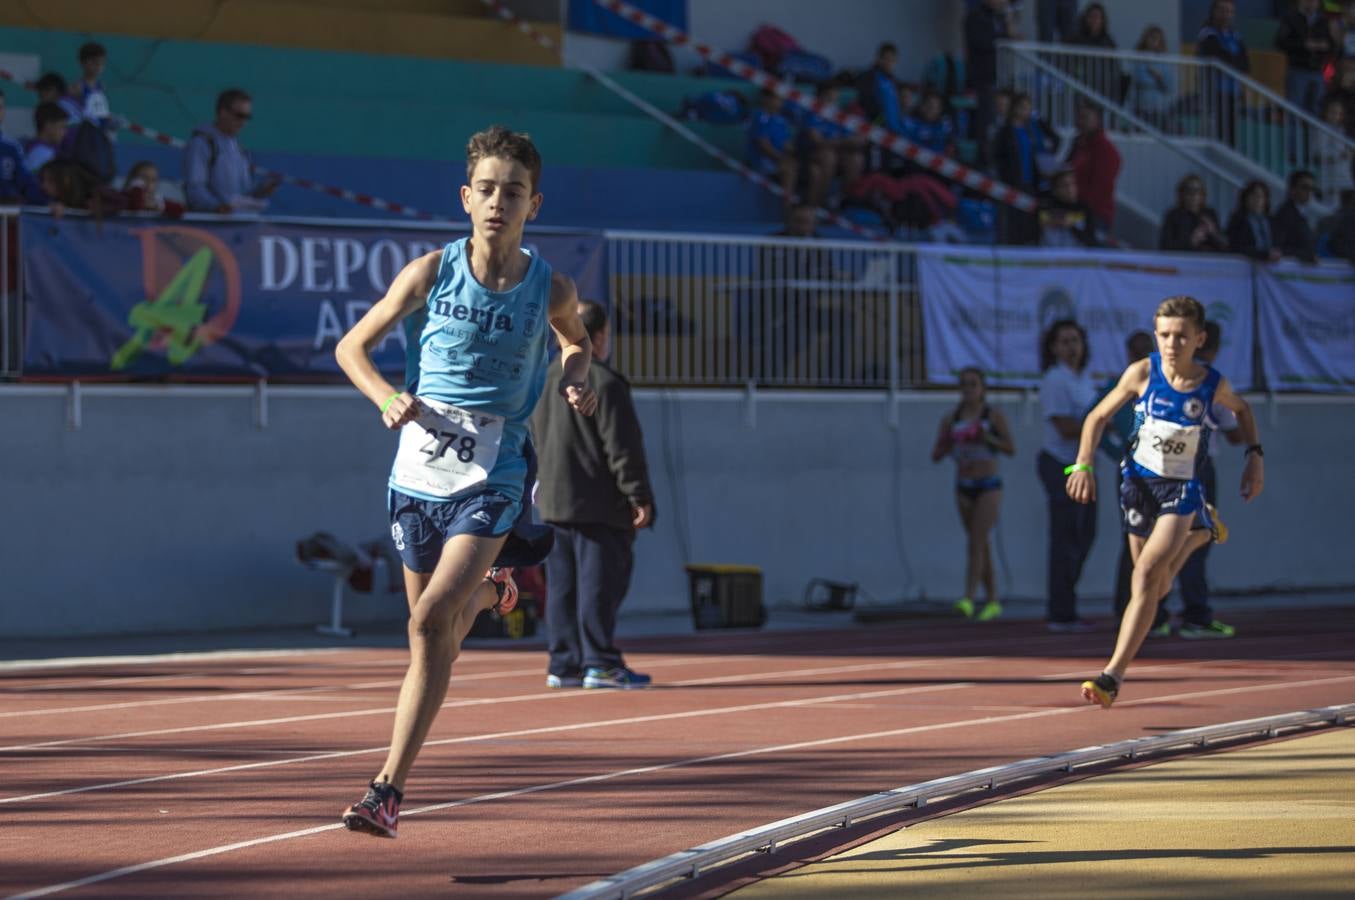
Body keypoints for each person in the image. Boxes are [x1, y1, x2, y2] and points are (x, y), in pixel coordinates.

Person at [333, 125, 598, 838]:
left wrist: (575, 376)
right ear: (465, 197)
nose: (496, 203)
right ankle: (492, 592)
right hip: (417, 470)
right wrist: (385, 395)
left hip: (494, 469)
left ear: (532, 205)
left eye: (512, 192)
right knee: (436, 641)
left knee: (424, 621)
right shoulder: (428, 272)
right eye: (485, 190)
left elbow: (576, 339)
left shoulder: (552, 286)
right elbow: (350, 346)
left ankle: (385, 790)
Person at [1069, 295, 1263, 708]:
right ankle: (1201, 533)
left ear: (1199, 339)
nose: (1171, 344)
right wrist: (1083, 463)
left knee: (1144, 578)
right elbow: (1097, 417)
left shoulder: (1212, 384)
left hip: (1182, 489)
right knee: (1156, 586)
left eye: (1180, 336)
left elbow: (1243, 412)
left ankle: (1111, 676)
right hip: (1138, 484)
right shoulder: (1142, 372)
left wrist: (1254, 458)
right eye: (1164, 335)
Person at [532, 300, 655, 690]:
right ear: (599, 336)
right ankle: (598, 661)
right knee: (599, 585)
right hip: (599, 503)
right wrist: (638, 495)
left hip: (553, 500)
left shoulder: (542, 379)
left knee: (563, 588)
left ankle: (564, 662)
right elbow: (623, 446)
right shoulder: (604, 381)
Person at [1168, 320, 1242, 639]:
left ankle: (1154, 614)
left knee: (1160, 541)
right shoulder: (1210, 381)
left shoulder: (1166, 375)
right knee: (1197, 539)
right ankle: (1195, 615)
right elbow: (1235, 431)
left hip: (1163, 466)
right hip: (1196, 466)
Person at [930, 367, 1015, 622]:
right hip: (964, 484)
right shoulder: (951, 418)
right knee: (981, 542)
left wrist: (986, 437)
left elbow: (1010, 448)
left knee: (976, 541)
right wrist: (947, 441)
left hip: (988, 484)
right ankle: (992, 599)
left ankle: (967, 597)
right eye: (964, 385)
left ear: (982, 388)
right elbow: (935, 455)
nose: (968, 389)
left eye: (973, 384)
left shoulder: (992, 415)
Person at [1038, 319, 1099, 632]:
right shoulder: (1055, 379)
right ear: (1053, 348)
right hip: (1061, 464)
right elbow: (1063, 425)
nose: (1071, 347)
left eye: (1075, 340)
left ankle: (1068, 604)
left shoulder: (1084, 379)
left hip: (1084, 465)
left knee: (1085, 534)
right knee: (1065, 538)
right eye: (1063, 341)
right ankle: (1060, 612)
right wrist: (1098, 424)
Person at [1101, 330, 1155, 627]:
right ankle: (1128, 606)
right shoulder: (1124, 383)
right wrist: (1117, 452)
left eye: (1147, 350)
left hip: (1167, 473)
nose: (1142, 357)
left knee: (1166, 542)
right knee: (1135, 538)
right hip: (1134, 473)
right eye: (1137, 351)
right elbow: (1095, 417)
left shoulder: (1168, 383)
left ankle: (1151, 607)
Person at [183, 88, 281, 213]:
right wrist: (217, 207)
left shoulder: (239, 150)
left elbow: (242, 193)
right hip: (211, 226)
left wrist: (261, 191)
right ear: (223, 112)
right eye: (239, 116)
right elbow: (194, 189)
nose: (243, 122)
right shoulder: (202, 144)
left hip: (237, 225)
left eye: (247, 117)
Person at [1196, 0, 1250, 145]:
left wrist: (1234, 62)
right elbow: (1218, 56)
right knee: (1217, 129)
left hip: (1233, 90)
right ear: (1214, 12)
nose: (1226, 15)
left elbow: (1245, 63)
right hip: (1215, 90)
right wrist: (1234, 61)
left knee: (1231, 131)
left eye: (1230, 11)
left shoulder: (1235, 35)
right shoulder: (1208, 33)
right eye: (1223, 10)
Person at [1066, 104, 1121, 228]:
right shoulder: (1078, 144)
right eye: (1078, 117)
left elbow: (1101, 186)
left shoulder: (1105, 150)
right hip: (1074, 209)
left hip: (1095, 214)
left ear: (1097, 120)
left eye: (1084, 117)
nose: (1079, 121)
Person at [1275, 0, 1335, 115]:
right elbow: (1280, 42)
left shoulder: (1323, 20)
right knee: (1294, 110)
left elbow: (1331, 45)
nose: (1312, 3)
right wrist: (1304, 45)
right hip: (1297, 70)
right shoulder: (1291, 18)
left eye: (1315, 1)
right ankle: (1293, 134)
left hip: (1318, 72)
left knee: (1317, 110)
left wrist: (1325, 46)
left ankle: (1312, 134)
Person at [747, 89, 797, 211]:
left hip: (778, 159)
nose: (779, 102)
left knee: (811, 169)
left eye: (781, 99)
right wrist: (782, 159)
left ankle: (810, 209)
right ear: (766, 99)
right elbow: (763, 145)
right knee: (789, 170)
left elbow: (786, 144)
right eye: (776, 99)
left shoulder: (780, 120)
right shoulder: (760, 117)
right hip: (762, 160)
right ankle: (787, 210)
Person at [1159, 175, 1228, 252]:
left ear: (1203, 194)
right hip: (1183, 260)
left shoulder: (1210, 213)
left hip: (1208, 260)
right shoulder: (1173, 215)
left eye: (1198, 191)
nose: (1194, 196)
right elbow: (1165, 246)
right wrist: (1191, 241)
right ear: (1182, 193)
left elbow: (1224, 246)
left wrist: (1213, 232)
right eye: (1190, 191)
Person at [0, 90, 46, 204]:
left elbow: (27, 182)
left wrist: (48, 203)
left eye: (0, 107)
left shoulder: (12, 147)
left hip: (7, 215)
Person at [1039, 169, 1102, 247]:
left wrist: (1072, 225)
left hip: (1077, 256)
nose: (1070, 189)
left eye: (1073, 184)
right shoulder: (1046, 206)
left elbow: (1091, 240)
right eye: (1065, 185)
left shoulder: (1084, 208)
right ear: (1055, 190)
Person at [1130, 26, 1178, 128]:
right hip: (1142, 106)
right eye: (1151, 37)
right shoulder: (1139, 58)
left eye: (1157, 38)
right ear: (1145, 39)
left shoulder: (1165, 61)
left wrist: (1158, 76)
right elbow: (1141, 79)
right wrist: (1159, 79)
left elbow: (1169, 85)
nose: (1153, 41)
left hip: (1160, 108)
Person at [1271, 169, 1322, 261]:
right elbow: (1279, 247)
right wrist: (1304, 255)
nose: (1309, 192)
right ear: (1292, 189)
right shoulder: (1284, 215)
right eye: (1305, 187)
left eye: (1312, 188)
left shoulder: (1302, 213)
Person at [1225, 180, 1282, 260]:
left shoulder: (1272, 221)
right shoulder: (1238, 219)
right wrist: (1264, 254)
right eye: (1253, 195)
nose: (1257, 200)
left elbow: (1279, 244)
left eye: (1261, 196)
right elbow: (1238, 246)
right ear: (1245, 198)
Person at [71, 42, 112, 128]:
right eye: (94, 61)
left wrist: (109, 118)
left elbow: (101, 112)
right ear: (83, 62)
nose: (98, 65)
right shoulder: (77, 88)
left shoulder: (101, 87)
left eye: (102, 62)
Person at [24, 102, 70, 175]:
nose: (65, 133)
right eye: (62, 127)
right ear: (48, 126)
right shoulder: (40, 153)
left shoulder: (47, 150)